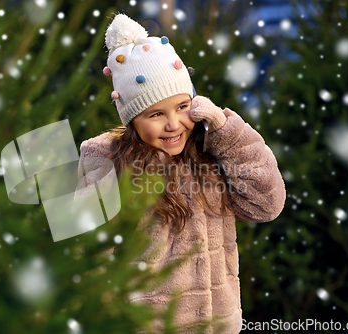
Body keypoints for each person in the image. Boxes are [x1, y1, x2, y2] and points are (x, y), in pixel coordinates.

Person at [76, 13, 286, 334]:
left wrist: (226, 132)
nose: (173, 124)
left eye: (181, 107)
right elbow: (86, 253)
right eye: (156, 114)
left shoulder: (211, 155)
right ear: (132, 118)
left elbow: (266, 204)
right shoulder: (108, 163)